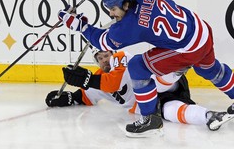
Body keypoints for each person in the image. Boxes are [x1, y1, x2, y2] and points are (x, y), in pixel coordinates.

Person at [57, 0, 234, 137]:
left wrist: (79, 25)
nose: (111, 14)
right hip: (201, 30)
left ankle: (151, 119)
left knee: (137, 67)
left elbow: (103, 41)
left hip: (188, 48)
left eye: (113, 9)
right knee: (209, 69)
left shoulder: (129, 26)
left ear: (126, 4)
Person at [46, 49, 234, 137]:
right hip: (151, 106)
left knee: (154, 84)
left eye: (106, 55)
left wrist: (86, 79)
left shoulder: (121, 59)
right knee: (169, 112)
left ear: (113, 54)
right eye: (100, 58)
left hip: (163, 84)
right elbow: (85, 97)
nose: (104, 60)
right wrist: (67, 98)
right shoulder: (98, 78)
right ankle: (210, 116)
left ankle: (180, 66)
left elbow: (113, 83)